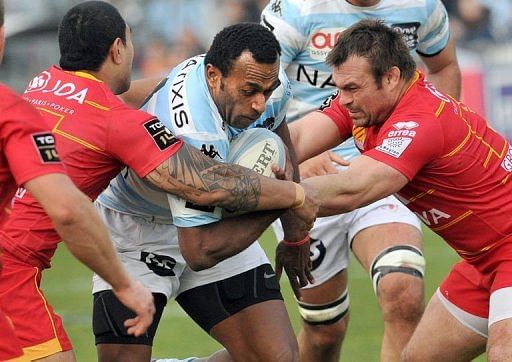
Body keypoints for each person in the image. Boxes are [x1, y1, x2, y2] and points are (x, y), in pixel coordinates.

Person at [0, 2, 317, 361]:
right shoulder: (116, 122)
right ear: (119, 49)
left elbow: (145, 92)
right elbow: (202, 182)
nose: (260, 102)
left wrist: (187, 75)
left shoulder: (39, 86)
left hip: (205, 224)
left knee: (277, 357)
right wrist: (292, 194)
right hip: (112, 237)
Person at [290, 18, 512, 361]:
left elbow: (353, 190)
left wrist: (259, 195)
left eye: (352, 88)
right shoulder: (369, 103)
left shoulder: (419, 120)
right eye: (340, 88)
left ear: (391, 76)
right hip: (484, 261)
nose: (343, 99)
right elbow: (301, 138)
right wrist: (238, 162)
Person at [93, 22, 311, 362]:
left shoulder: (268, 84)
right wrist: (283, 201)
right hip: (137, 226)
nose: (258, 103)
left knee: (278, 358)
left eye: (266, 91)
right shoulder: (195, 130)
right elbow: (199, 249)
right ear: (213, 76)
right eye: (250, 91)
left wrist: (295, 232)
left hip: (211, 216)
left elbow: (278, 131)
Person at [260, 0, 462, 360]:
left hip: (387, 168)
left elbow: (444, 65)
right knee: (324, 329)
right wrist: (295, 160)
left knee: (403, 288)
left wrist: (433, 138)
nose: (346, 96)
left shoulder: (423, 6)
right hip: (308, 169)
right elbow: (255, 92)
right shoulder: (295, 11)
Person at [0, 1, 155, 360]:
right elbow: (68, 210)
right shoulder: (12, 111)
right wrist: (124, 283)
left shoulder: (37, 87)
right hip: (11, 272)